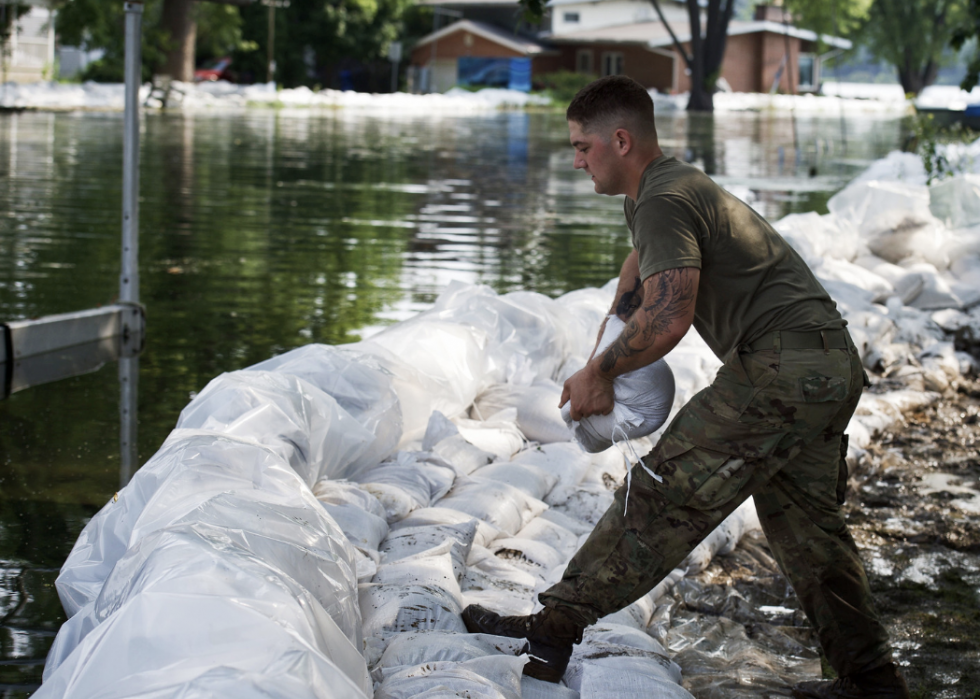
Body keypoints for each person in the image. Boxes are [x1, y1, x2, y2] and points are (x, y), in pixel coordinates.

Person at [461, 76, 910, 699]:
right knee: (810, 534)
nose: (576, 159)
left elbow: (670, 317)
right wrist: (613, 327)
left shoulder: (664, 199)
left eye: (583, 147)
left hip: (780, 369)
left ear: (621, 140)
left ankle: (555, 626)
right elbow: (642, 271)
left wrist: (602, 373)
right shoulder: (660, 189)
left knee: (662, 492)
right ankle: (873, 681)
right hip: (826, 364)